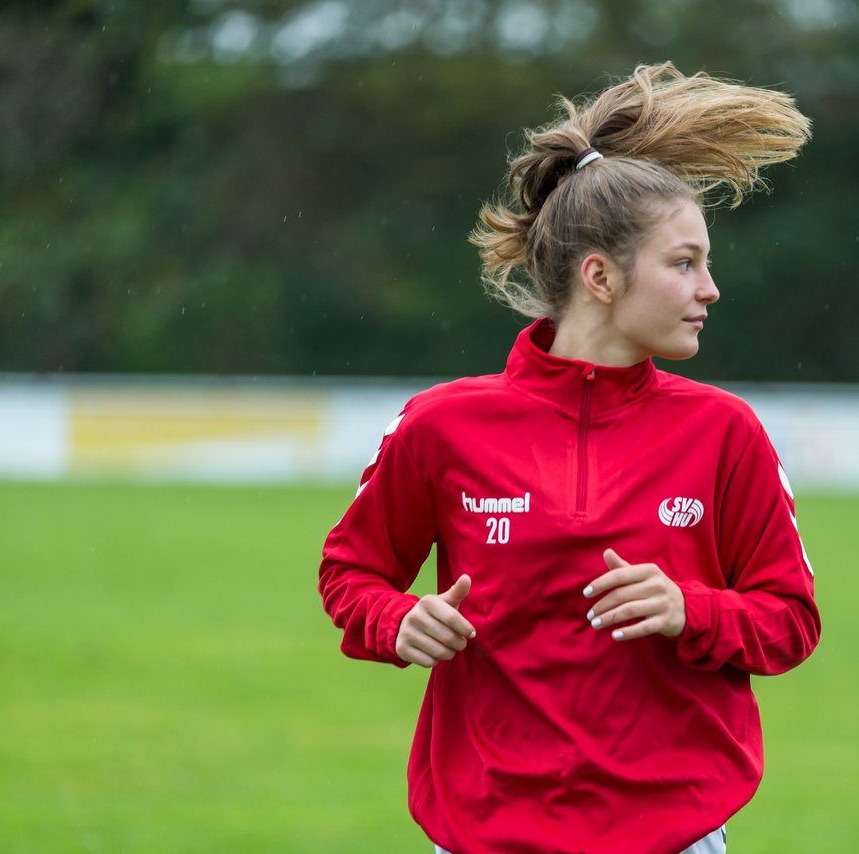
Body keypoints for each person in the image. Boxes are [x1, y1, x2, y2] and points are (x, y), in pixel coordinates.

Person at [318, 62, 821, 854]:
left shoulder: (728, 434)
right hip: (485, 831)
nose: (711, 288)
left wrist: (694, 608)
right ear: (600, 277)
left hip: (675, 834)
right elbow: (350, 574)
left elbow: (791, 620)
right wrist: (398, 619)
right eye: (684, 263)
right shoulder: (442, 425)